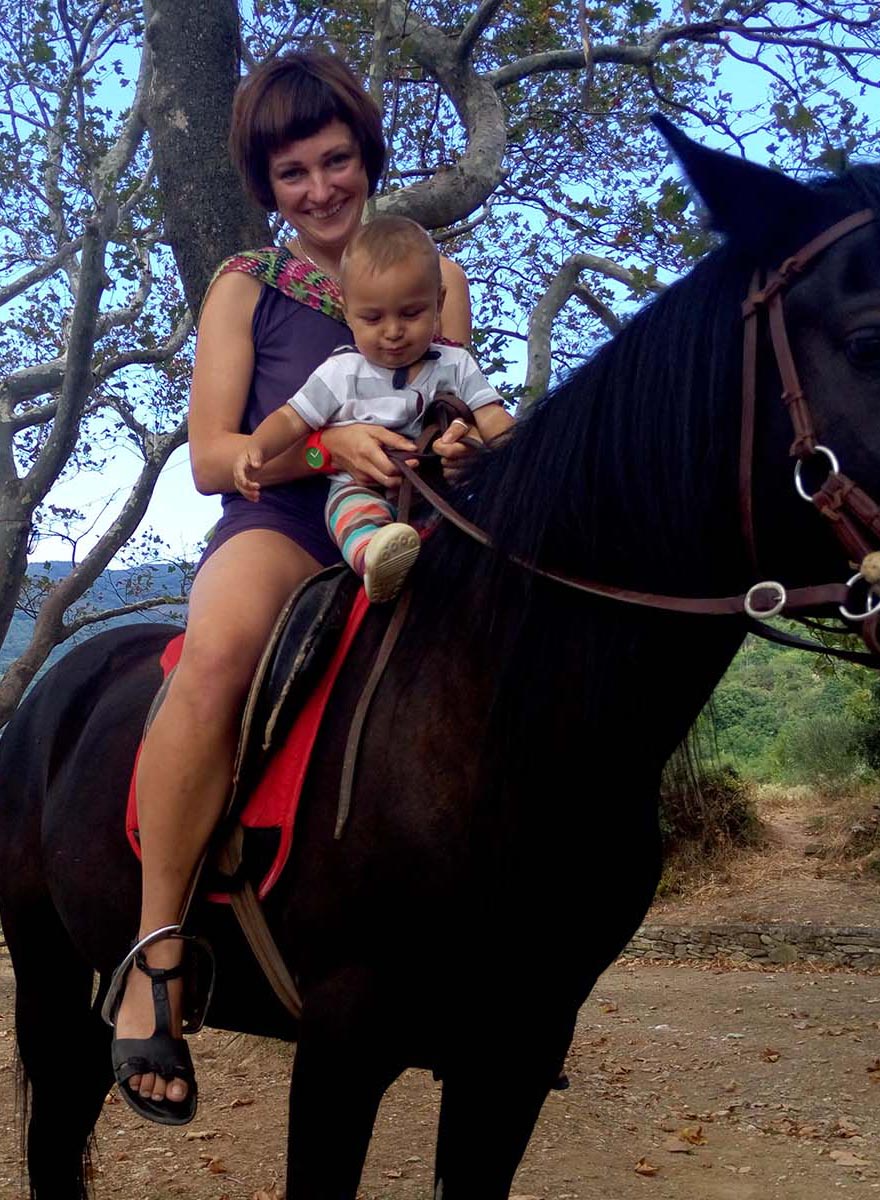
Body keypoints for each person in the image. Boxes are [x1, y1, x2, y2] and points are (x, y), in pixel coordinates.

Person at [105, 50, 512, 1126]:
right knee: (218, 661)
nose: (322, 187)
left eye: (336, 160)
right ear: (267, 186)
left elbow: (458, 403)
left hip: (419, 526)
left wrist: (464, 448)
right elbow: (210, 454)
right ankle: (157, 957)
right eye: (295, 173)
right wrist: (330, 446)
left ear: (366, 159)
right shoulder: (245, 285)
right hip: (281, 526)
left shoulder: (435, 271)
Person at [232, 215, 509, 602]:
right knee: (352, 514)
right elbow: (292, 417)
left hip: (435, 493)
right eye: (373, 318)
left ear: (439, 303)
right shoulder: (342, 371)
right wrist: (257, 448)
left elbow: (491, 415)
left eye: (411, 314)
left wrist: (512, 451)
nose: (393, 331)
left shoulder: (455, 363)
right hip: (361, 486)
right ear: (348, 313)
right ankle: (376, 559)